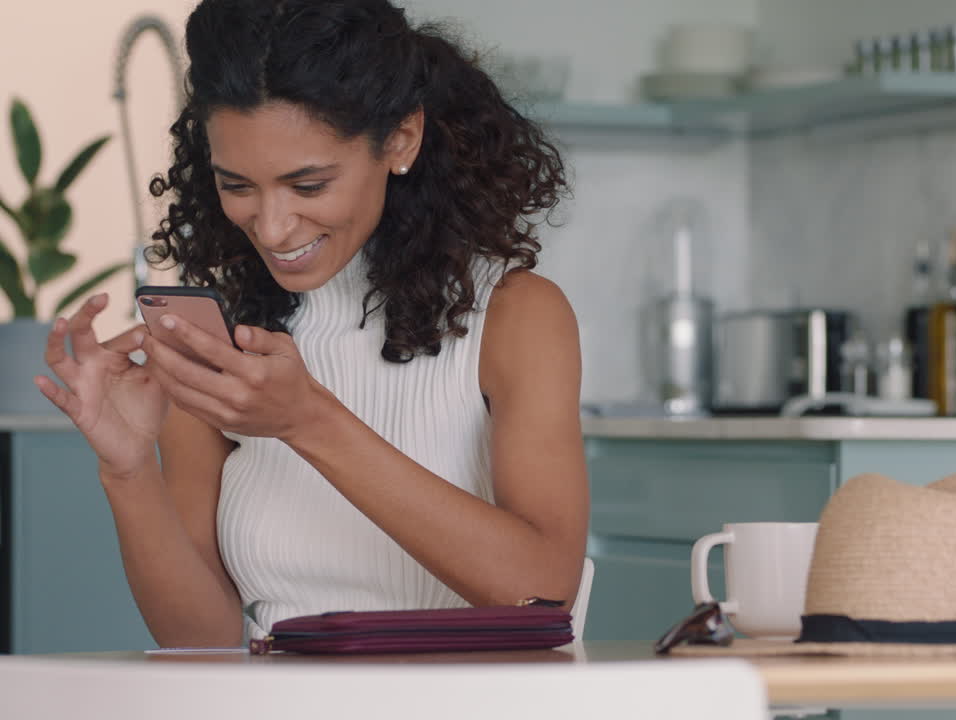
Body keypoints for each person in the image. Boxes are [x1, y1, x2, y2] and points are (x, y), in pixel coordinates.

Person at [34, 0, 587, 647]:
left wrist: (307, 421)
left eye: (308, 184)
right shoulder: (222, 335)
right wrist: (129, 472)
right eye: (237, 185)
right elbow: (201, 641)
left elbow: (543, 589)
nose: (272, 227)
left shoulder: (518, 316)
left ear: (401, 139)